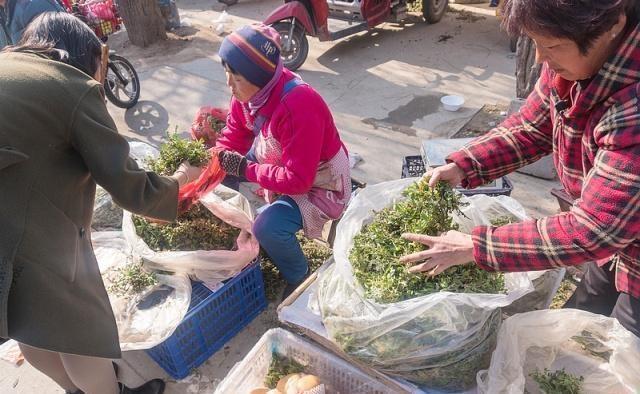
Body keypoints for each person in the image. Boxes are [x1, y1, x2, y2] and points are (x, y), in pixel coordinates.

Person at [400, 0, 640, 338]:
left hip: (624, 243)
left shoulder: (633, 108)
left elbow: (595, 230)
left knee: (626, 350)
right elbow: (534, 125)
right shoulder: (571, 64)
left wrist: (477, 247)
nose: (541, 59)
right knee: (579, 326)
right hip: (612, 247)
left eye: (552, 46)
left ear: (612, 25)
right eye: (535, 43)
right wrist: (465, 164)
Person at [0, 12, 202, 394]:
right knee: (77, 327)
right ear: (93, 57)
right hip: (18, 228)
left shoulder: (8, 63)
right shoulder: (69, 85)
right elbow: (128, 187)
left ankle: (74, 390)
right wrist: (178, 182)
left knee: (23, 313)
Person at [215, 24, 351, 300]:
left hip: (318, 180)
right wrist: (213, 160)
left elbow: (298, 180)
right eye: (227, 74)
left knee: (267, 226)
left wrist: (248, 169)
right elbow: (234, 135)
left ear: (260, 77)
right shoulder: (248, 97)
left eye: (237, 79)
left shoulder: (300, 105)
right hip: (276, 157)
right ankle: (235, 237)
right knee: (221, 170)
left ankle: (298, 276)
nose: (230, 85)